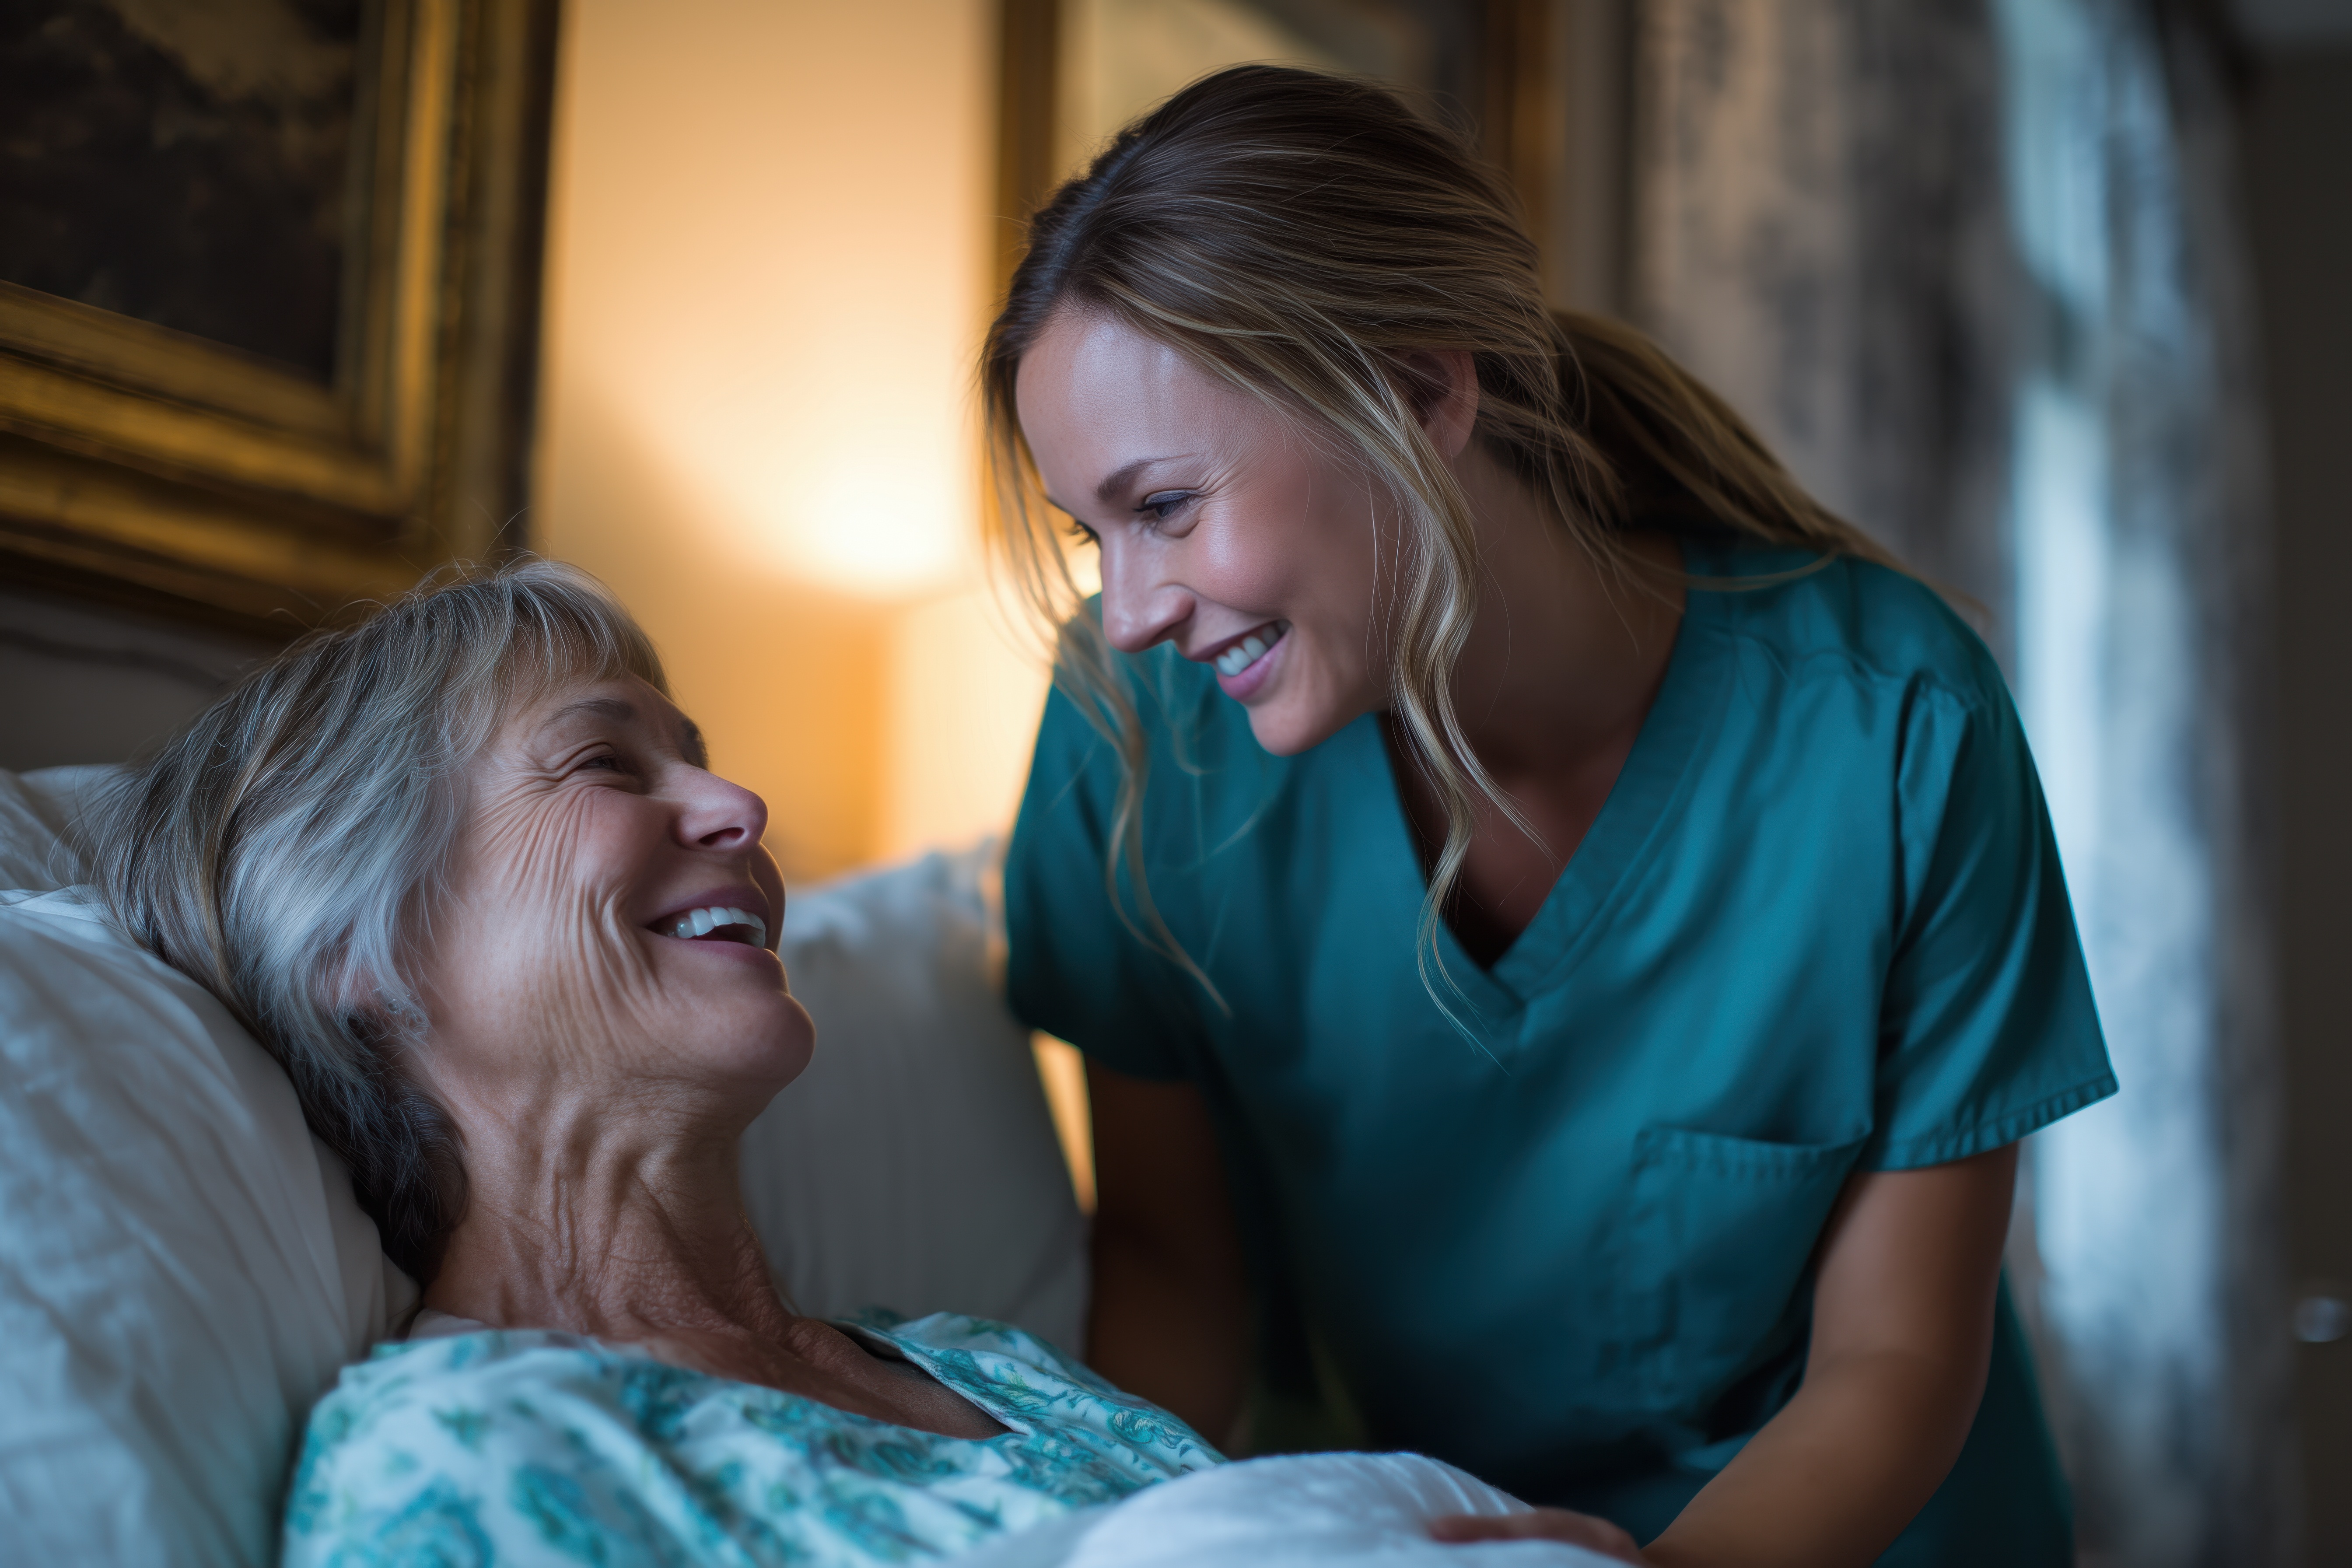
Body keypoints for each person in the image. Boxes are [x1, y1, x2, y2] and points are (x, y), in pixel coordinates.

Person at [992, 65, 2115, 1568]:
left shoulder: (1898, 729)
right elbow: (1170, 1268)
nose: (1128, 610)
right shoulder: (1130, 739)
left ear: (1421, 392)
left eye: (1166, 507)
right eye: (1092, 534)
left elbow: (1896, 1362)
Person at [87, 563, 1219, 1565]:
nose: (742, 807)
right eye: (604, 764)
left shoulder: (987, 1365)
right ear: (356, 950)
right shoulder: (465, 1458)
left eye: (698, 761)